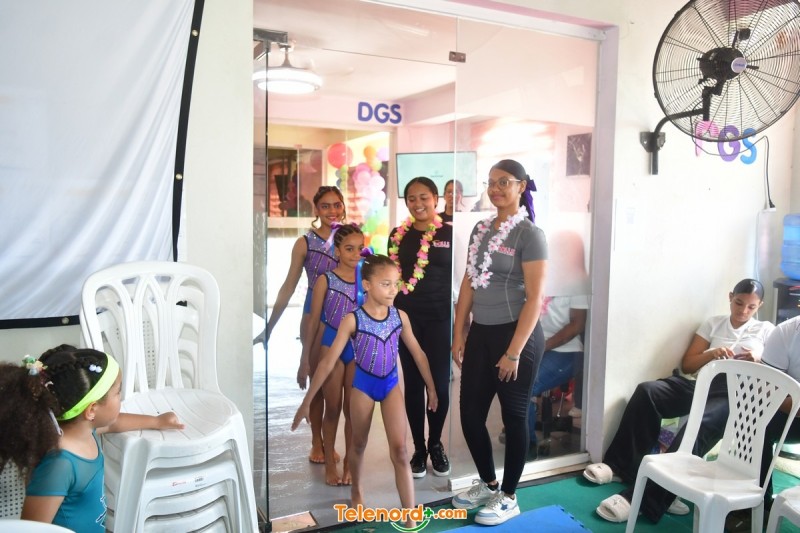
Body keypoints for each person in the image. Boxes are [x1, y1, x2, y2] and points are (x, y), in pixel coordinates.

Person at [584, 278, 773, 524]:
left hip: (733, 394)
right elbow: (688, 365)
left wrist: (758, 359)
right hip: (701, 383)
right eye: (739, 303)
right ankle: (621, 466)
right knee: (648, 392)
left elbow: (774, 370)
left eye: (751, 307)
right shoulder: (714, 324)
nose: (743, 311)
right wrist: (712, 353)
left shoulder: (766, 330)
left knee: (699, 425)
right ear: (730, 297)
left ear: (760, 306)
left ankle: (644, 500)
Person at [292, 254, 438, 528]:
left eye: (395, 283)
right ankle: (357, 489)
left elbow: (418, 354)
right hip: (363, 386)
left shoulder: (399, 317)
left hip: (390, 385)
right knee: (358, 444)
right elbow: (327, 362)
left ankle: (410, 516)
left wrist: (431, 386)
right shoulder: (353, 320)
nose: (393, 290)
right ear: (368, 285)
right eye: (386, 284)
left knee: (400, 450)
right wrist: (306, 402)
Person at [451, 159, 547, 526]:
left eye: (503, 182)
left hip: (515, 336)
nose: (495, 189)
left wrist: (514, 352)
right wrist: (459, 332)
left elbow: (535, 299)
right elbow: (468, 281)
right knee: (470, 415)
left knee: (514, 415)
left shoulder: (530, 235)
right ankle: (489, 484)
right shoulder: (480, 229)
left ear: (521, 186)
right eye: (490, 182)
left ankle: (509, 496)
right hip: (481, 333)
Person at [0, 345, 183, 531]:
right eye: (117, 392)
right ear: (92, 410)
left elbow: (114, 423)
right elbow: (31, 528)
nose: (121, 398)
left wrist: (157, 421)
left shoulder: (83, 429)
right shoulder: (59, 464)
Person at [267, 185, 346, 464]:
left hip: (345, 316)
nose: (332, 211)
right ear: (316, 210)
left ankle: (331, 441)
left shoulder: (350, 238)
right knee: (318, 383)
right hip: (315, 316)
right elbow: (288, 286)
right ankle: (316, 442)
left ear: (343, 206)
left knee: (338, 389)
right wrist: (270, 327)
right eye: (325, 206)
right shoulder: (305, 243)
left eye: (337, 205)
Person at [389, 177, 453, 479]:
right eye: (411, 198)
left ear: (436, 199)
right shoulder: (397, 235)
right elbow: (391, 278)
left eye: (424, 197)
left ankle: (436, 443)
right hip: (407, 320)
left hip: (440, 319)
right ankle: (419, 448)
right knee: (413, 384)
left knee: (439, 384)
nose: (418, 204)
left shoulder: (449, 233)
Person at [302, 222, 363, 486]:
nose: (355, 253)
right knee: (333, 407)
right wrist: (305, 359)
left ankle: (349, 463)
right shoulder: (325, 280)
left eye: (360, 248)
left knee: (351, 410)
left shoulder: (366, 280)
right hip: (331, 345)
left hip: (356, 348)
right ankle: (329, 462)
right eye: (349, 248)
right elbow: (314, 322)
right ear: (336, 251)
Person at [758, 314, 800, 511]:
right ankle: (758, 504)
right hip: (791, 409)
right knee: (758, 424)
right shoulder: (785, 332)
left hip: (793, 403)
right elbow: (767, 390)